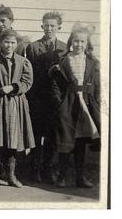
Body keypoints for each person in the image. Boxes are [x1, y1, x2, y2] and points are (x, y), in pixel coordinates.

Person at [48, 24, 100, 188]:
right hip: (68, 105)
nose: (79, 44)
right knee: (66, 141)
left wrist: (95, 104)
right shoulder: (63, 60)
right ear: (71, 42)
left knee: (81, 142)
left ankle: (79, 177)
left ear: (87, 44)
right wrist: (59, 103)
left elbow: (97, 86)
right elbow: (55, 84)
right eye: (76, 41)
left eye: (82, 41)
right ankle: (62, 176)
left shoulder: (92, 62)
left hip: (86, 105)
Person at [0, 29, 35, 188]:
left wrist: (14, 87)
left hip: (16, 104)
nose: (9, 45)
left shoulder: (23, 61)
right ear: (0, 42)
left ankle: (11, 175)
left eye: (12, 42)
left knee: (13, 140)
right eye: (6, 42)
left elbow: (27, 82)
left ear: (17, 44)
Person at [25, 11, 67, 183]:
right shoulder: (33, 47)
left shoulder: (64, 48)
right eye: (46, 25)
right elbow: (30, 72)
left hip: (55, 99)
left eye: (52, 26)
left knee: (51, 135)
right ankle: (34, 169)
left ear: (59, 27)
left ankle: (47, 169)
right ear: (42, 26)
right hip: (37, 97)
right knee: (35, 134)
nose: (49, 29)